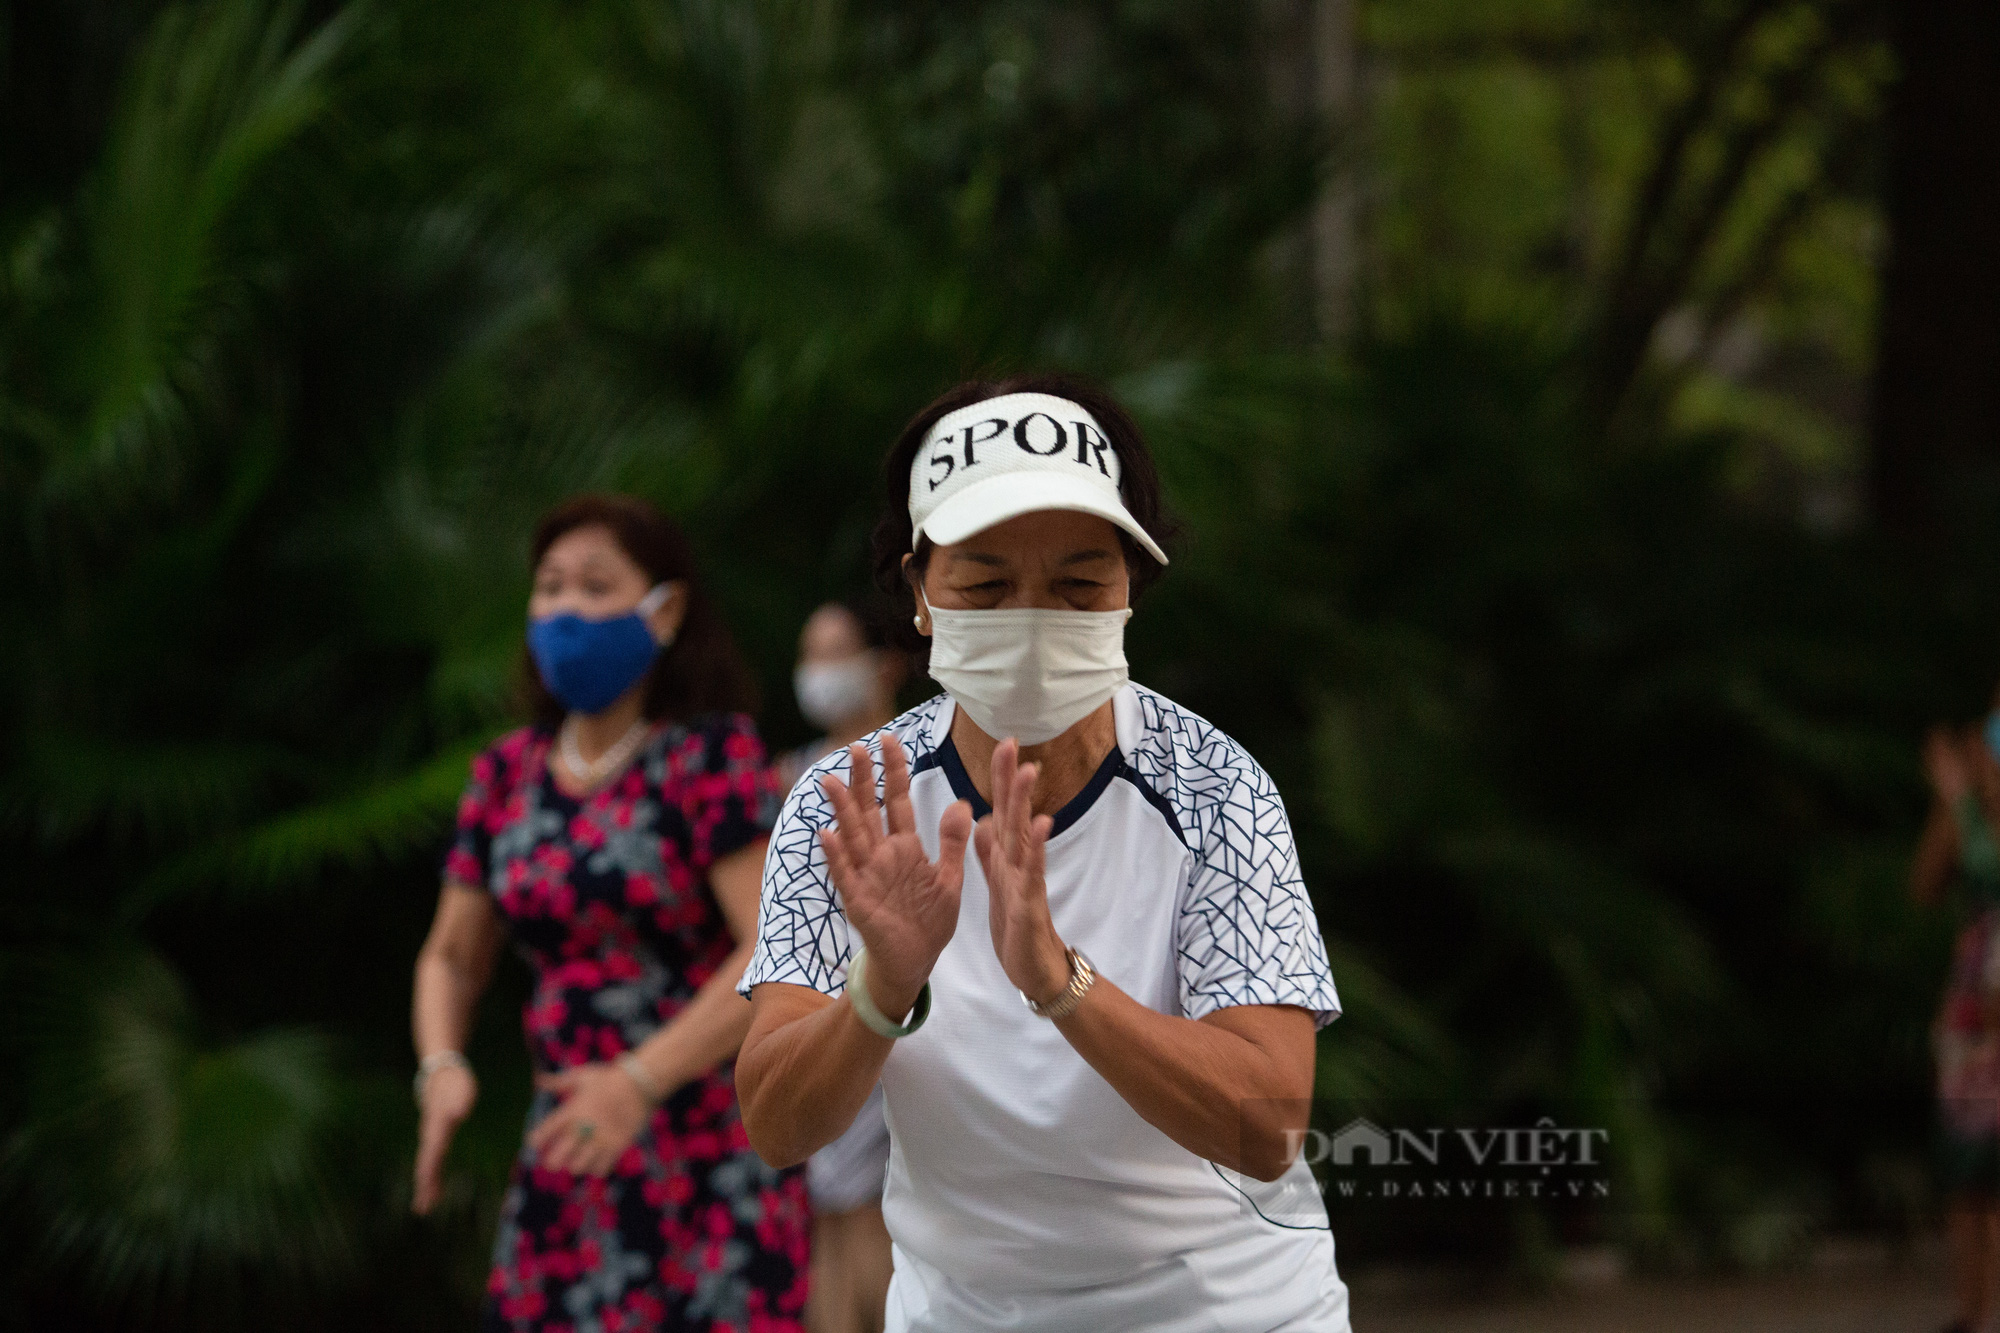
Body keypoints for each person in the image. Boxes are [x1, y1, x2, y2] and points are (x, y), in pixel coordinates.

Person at [735, 377, 1352, 1332]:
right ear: (919, 595)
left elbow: (1268, 1121)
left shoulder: (1217, 789)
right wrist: (881, 986)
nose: (1031, 616)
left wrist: (1061, 981)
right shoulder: (847, 803)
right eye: (985, 584)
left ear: (1130, 593)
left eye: (1078, 584)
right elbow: (777, 1124)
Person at [411, 494, 810, 1333]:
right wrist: (441, 1064)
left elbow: (771, 947)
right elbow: (451, 955)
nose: (565, 609)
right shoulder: (504, 774)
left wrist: (641, 1079)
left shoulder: (711, 754)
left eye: (595, 586)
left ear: (662, 613)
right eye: (549, 586)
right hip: (569, 1134)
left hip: (707, 1144)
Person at [778, 601, 905, 1333]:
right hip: (814, 1014)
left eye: (836, 652)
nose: (820, 672)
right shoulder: (783, 781)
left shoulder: (924, 766)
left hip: (906, 1013)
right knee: (832, 1214)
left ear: (885, 664)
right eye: (810, 653)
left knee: (878, 1216)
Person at [1914, 696, 2000, 1333]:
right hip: (1975, 1002)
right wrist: (1951, 800)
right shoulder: (1967, 806)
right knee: (1969, 1160)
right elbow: (1922, 887)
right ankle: (1973, 1311)